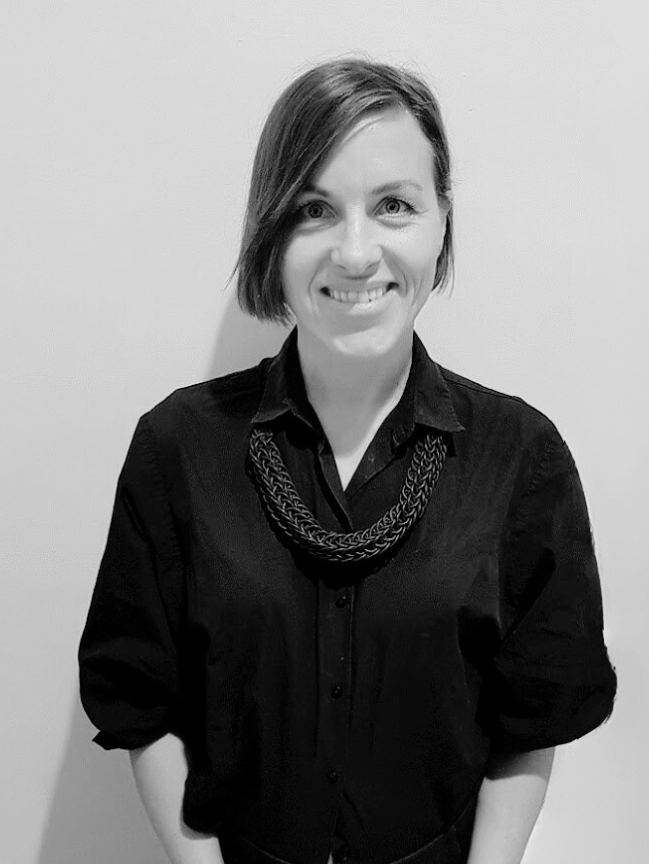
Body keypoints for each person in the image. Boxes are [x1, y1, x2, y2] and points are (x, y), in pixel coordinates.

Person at [78, 57, 617, 864]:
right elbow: (139, 704)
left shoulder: (520, 458)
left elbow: (530, 719)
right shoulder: (177, 448)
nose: (356, 253)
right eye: (314, 210)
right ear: (270, 230)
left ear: (441, 226)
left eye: (394, 205)